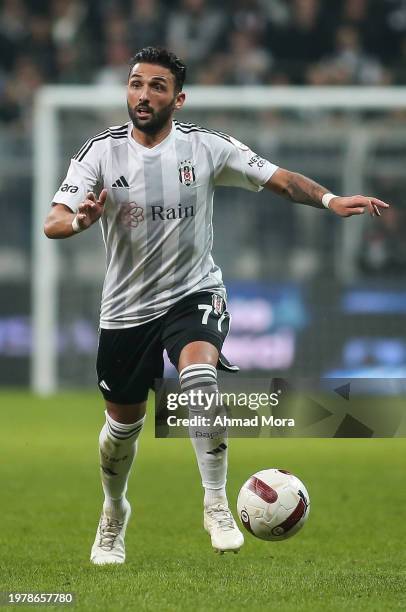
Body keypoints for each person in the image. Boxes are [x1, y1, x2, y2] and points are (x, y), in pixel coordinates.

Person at [44, 46, 389, 564]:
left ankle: (215, 503)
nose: (143, 94)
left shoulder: (206, 148)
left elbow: (280, 178)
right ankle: (114, 511)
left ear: (178, 99)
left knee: (198, 377)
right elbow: (54, 219)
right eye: (137, 83)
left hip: (194, 292)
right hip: (125, 309)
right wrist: (80, 221)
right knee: (122, 427)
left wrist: (329, 200)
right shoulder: (100, 153)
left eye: (157, 86)